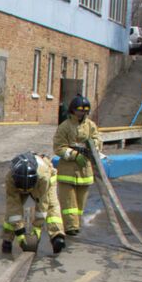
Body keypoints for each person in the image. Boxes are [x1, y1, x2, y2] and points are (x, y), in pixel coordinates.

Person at [52, 94, 101, 235]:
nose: (82, 113)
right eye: (79, 110)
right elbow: (58, 147)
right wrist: (74, 155)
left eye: (85, 110)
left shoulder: (90, 126)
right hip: (67, 171)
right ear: (73, 110)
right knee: (69, 203)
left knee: (80, 204)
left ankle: (76, 224)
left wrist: (94, 146)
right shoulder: (65, 127)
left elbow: (98, 140)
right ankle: (70, 226)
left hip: (85, 171)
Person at [1, 152, 65, 255]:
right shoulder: (10, 178)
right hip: (20, 183)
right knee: (13, 212)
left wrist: (37, 227)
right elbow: (13, 205)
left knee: (52, 204)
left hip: (46, 178)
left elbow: (43, 202)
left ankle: (57, 236)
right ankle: (7, 240)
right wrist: (20, 232)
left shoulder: (43, 176)